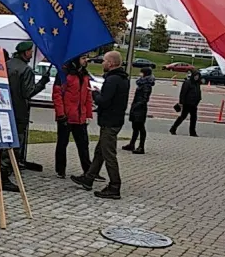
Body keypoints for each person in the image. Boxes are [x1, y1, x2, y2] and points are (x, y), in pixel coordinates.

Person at [70, 51, 129, 199]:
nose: (102, 63)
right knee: (100, 152)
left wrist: (94, 94)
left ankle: (115, 186)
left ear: (111, 63)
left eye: (104, 61)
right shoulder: (123, 79)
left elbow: (104, 101)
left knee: (109, 155)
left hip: (110, 122)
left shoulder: (112, 79)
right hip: (115, 120)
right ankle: (88, 178)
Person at [2, 41, 49, 191]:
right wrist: (42, 82)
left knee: (3, 143)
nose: (31, 54)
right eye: (30, 51)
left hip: (3, 109)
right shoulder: (25, 70)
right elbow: (28, 93)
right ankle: (4, 177)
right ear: (25, 52)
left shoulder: (6, 64)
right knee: (14, 145)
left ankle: (1, 173)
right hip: (18, 112)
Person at [53, 54, 93, 179]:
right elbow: (57, 95)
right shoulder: (64, 75)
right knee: (62, 143)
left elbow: (88, 96)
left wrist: (88, 114)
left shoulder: (85, 75)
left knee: (83, 144)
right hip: (66, 116)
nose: (86, 60)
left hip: (80, 117)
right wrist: (61, 114)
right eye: (83, 58)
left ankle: (88, 170)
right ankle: (60, 170)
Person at [123, 67, 155, 154]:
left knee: (141, 127)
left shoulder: (146, 85)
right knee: (135, 127)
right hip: (137, 107)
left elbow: (145, 98)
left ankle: (141, 146)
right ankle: (132, 144)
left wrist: (137, 105)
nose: (139, 74)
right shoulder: (142, 83)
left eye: (141, 72)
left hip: (140, 109)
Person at [170, 68, 202, 137]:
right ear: (193, 75)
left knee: (194, 118)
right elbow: (183, 93)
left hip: (194, 104)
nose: (196, 77)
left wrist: (198, 99)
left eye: (198, 76)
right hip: (187, 103)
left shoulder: (197, 84)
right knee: (182, 117)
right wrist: (181, 102)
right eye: (195, 75)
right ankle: (173, 128)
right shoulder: (187, 82)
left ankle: (192, 132)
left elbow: (198, 93)